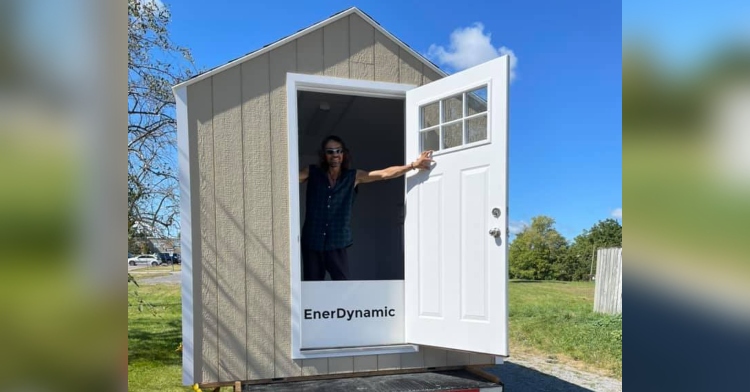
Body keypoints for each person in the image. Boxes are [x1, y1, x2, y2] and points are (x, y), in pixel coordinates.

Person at [299, 135, 433, 281]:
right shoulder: (312, 173)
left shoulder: (353, 176)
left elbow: (384, 174)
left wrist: (414, 165)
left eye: (338, 151)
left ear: (343, 154)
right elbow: (289, 178)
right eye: (330, 151)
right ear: (324, 155)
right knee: (311, 285)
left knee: (342, 284)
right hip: (312, 240)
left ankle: (341, 306)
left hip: (337, 241)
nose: (335, 155)